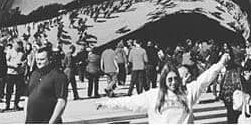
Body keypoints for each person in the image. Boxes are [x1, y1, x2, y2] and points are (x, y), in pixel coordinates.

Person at [97, 52, 230, 123]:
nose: (173, 82)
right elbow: (130, 102)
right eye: (169, 79)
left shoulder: (187, 92)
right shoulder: (153, 95)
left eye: (175, 79)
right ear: (163, 80)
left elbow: (204, 79)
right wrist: (107, 103)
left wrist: (220, 64)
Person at [25, 46, 68, 124]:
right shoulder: (34, 74)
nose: (39, 62)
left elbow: (61, 102)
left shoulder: (58, 75)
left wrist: (51, 122)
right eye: (37, 59)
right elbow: (28, 97)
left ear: (50, 59)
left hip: (47, 120)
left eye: (42, 59)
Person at [219, 48, 246, 123]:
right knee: (233, 115)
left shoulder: (229, 74)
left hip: (231, 97)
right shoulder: (235, 74)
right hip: (234, 98)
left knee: (231, 115)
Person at [6, 41, 26, 111]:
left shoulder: (22, 53)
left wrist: (22, 64)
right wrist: (13, 65)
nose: (19, 46)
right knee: (9, 90)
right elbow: (6, 62)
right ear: (15, 44)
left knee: (18, 90)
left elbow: (24, 61)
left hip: (19, 74)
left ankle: (16, 104)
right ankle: (7, 105)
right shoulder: (10, 52)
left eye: (20, 44)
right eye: (18, 44)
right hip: (11, 73)